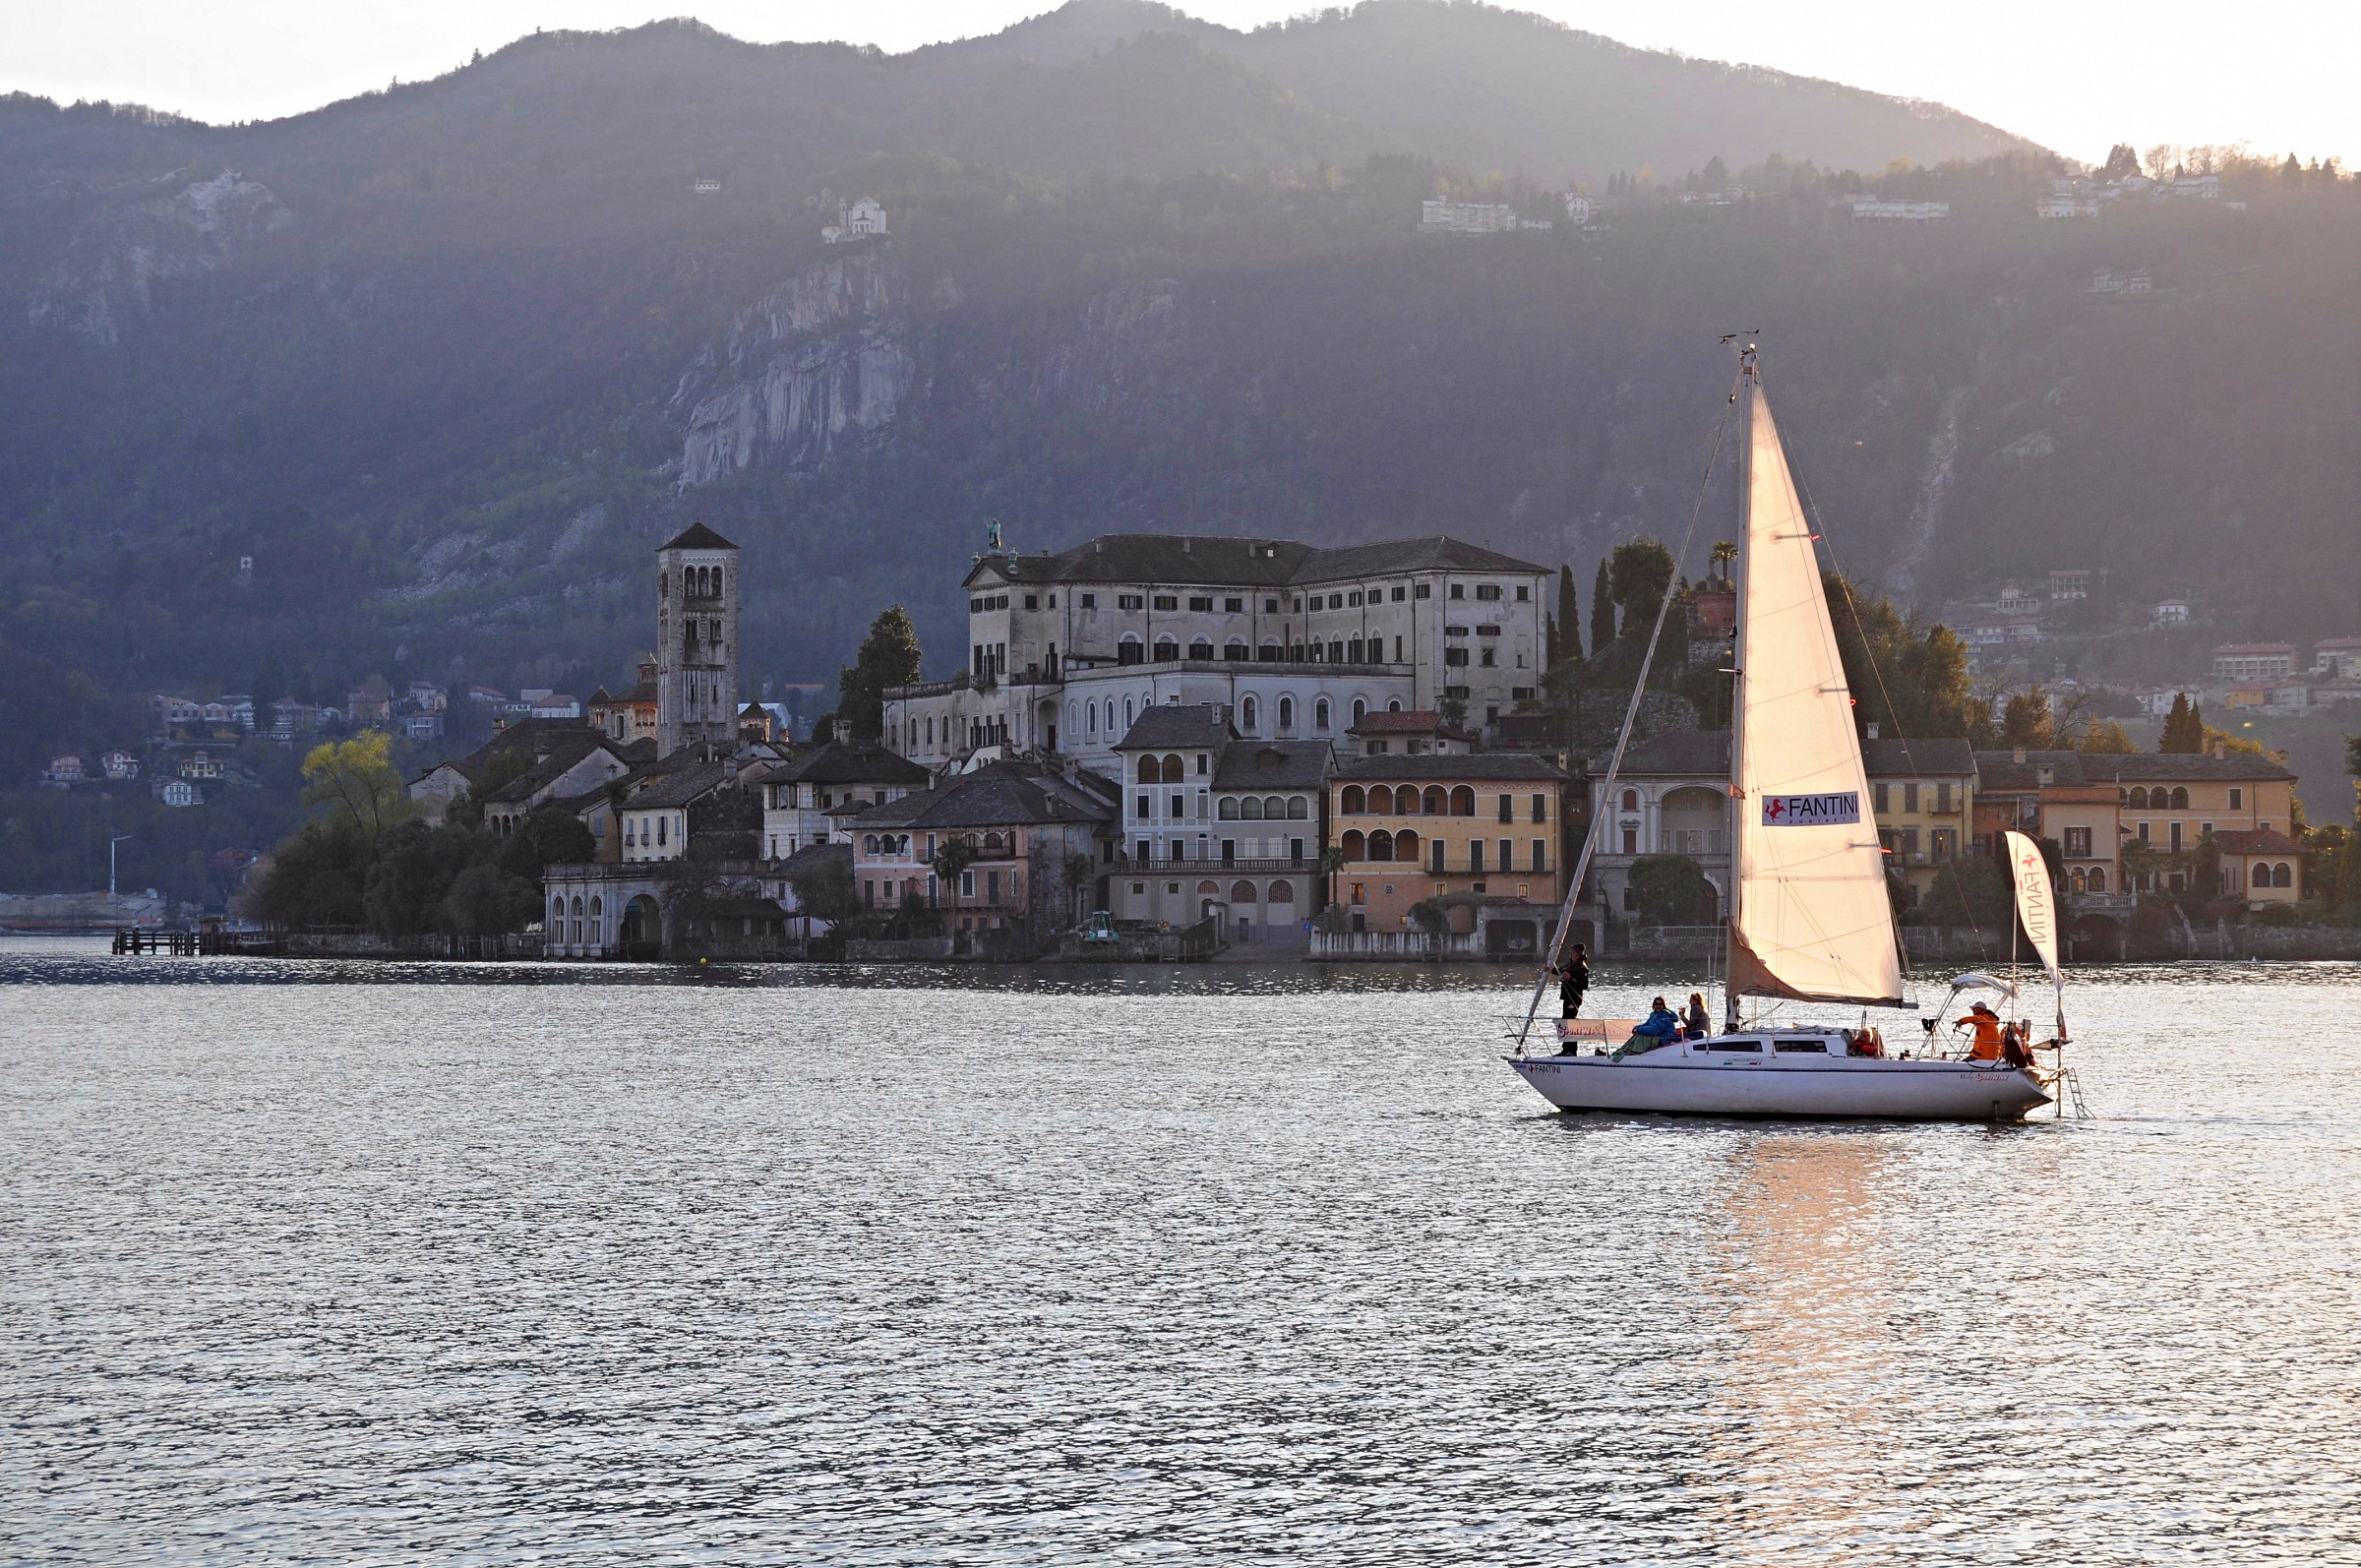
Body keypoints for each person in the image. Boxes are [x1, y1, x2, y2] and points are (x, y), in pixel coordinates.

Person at [1552, 945, 1590, 1019]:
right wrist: (1549, 968)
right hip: (1567, 997)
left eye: (1572, 951)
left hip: (1574, 999)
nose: (1570, 953)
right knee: (1565, 1018)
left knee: (1568, 1019)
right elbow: (1558, 971)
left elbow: (1584, 985)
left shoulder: (1582, 968)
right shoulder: (1569, 964)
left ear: (1577, 953)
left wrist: (1570, 978)